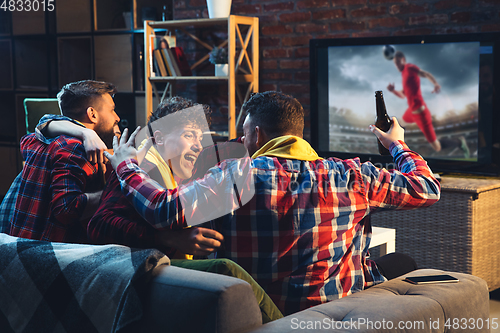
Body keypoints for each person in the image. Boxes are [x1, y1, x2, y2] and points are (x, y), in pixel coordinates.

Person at [104, 91, 441, 316]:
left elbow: (163, 209)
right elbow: (427, 188)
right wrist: (397, 144)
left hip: (263, 311)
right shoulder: (351, 174)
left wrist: (124, 164)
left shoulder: (234, 177)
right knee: (400, 262)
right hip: (339, 306)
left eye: (244, 133)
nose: (241, 140)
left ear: (257, 135)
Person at [88, 96, 283, 323]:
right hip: (128, 276)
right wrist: (167, 238)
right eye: (189, 135)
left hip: (155, 275)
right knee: (225, 270)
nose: (199, 145)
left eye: (201, 137)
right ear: (158, 139)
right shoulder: (142, 165)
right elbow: (98, 226)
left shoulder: (174, 171)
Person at [8, 80, 120, 243]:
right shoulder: (75, 148)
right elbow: (66, 209)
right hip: (47, 252)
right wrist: (120, 190)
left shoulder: (35, 140)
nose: (117, 117)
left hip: (17, 242)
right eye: (112, 110)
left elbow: (44, 123)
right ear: (92, 114)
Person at [387, 50, 469, 157]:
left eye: (398, 62)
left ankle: (459, 141)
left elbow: (426, 74)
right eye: (395, 63)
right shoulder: (404, 75)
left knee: (437, 147)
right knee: (399, 123)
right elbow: (403, 95)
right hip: (411, 112)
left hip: (421, 114)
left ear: (403, 60)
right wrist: (393, 91)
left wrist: (435, 84)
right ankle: (398, 151)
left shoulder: (409, 68)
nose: (397, 65)